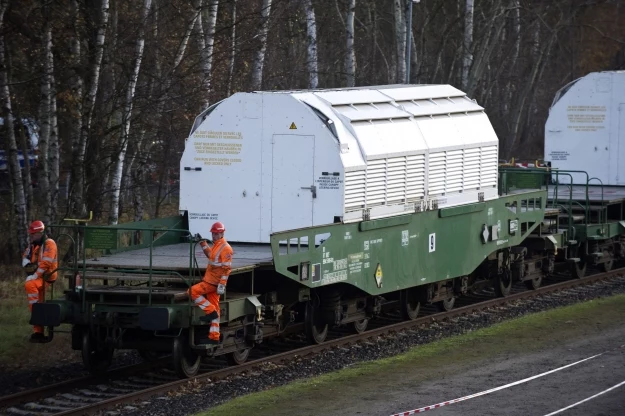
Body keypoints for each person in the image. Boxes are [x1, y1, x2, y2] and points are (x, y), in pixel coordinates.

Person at [188, 221, 233, 345]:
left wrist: (222, 285)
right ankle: (214, 337)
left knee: (192, 292)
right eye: (213, 233)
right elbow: (210, 255)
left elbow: (227, 268)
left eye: (216, 233)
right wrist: (202, 242)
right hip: (212, 281)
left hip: (213, 282)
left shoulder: (226, 248)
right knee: (216, 309)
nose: (214, 235)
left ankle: (210, 311)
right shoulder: (217, 246)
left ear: (222, 233)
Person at [22, 220, 58, 343]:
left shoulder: (50, 244)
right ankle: (38, 332)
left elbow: (46, 263)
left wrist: (34, 275)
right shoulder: (34, 245)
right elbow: (26, 256)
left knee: (30, 285)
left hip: (47, 277)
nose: (31, 236)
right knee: (38, 301)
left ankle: (37, 314)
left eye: (33, 234)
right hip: (38, 277)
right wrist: (26, 264)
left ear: (40, 233)